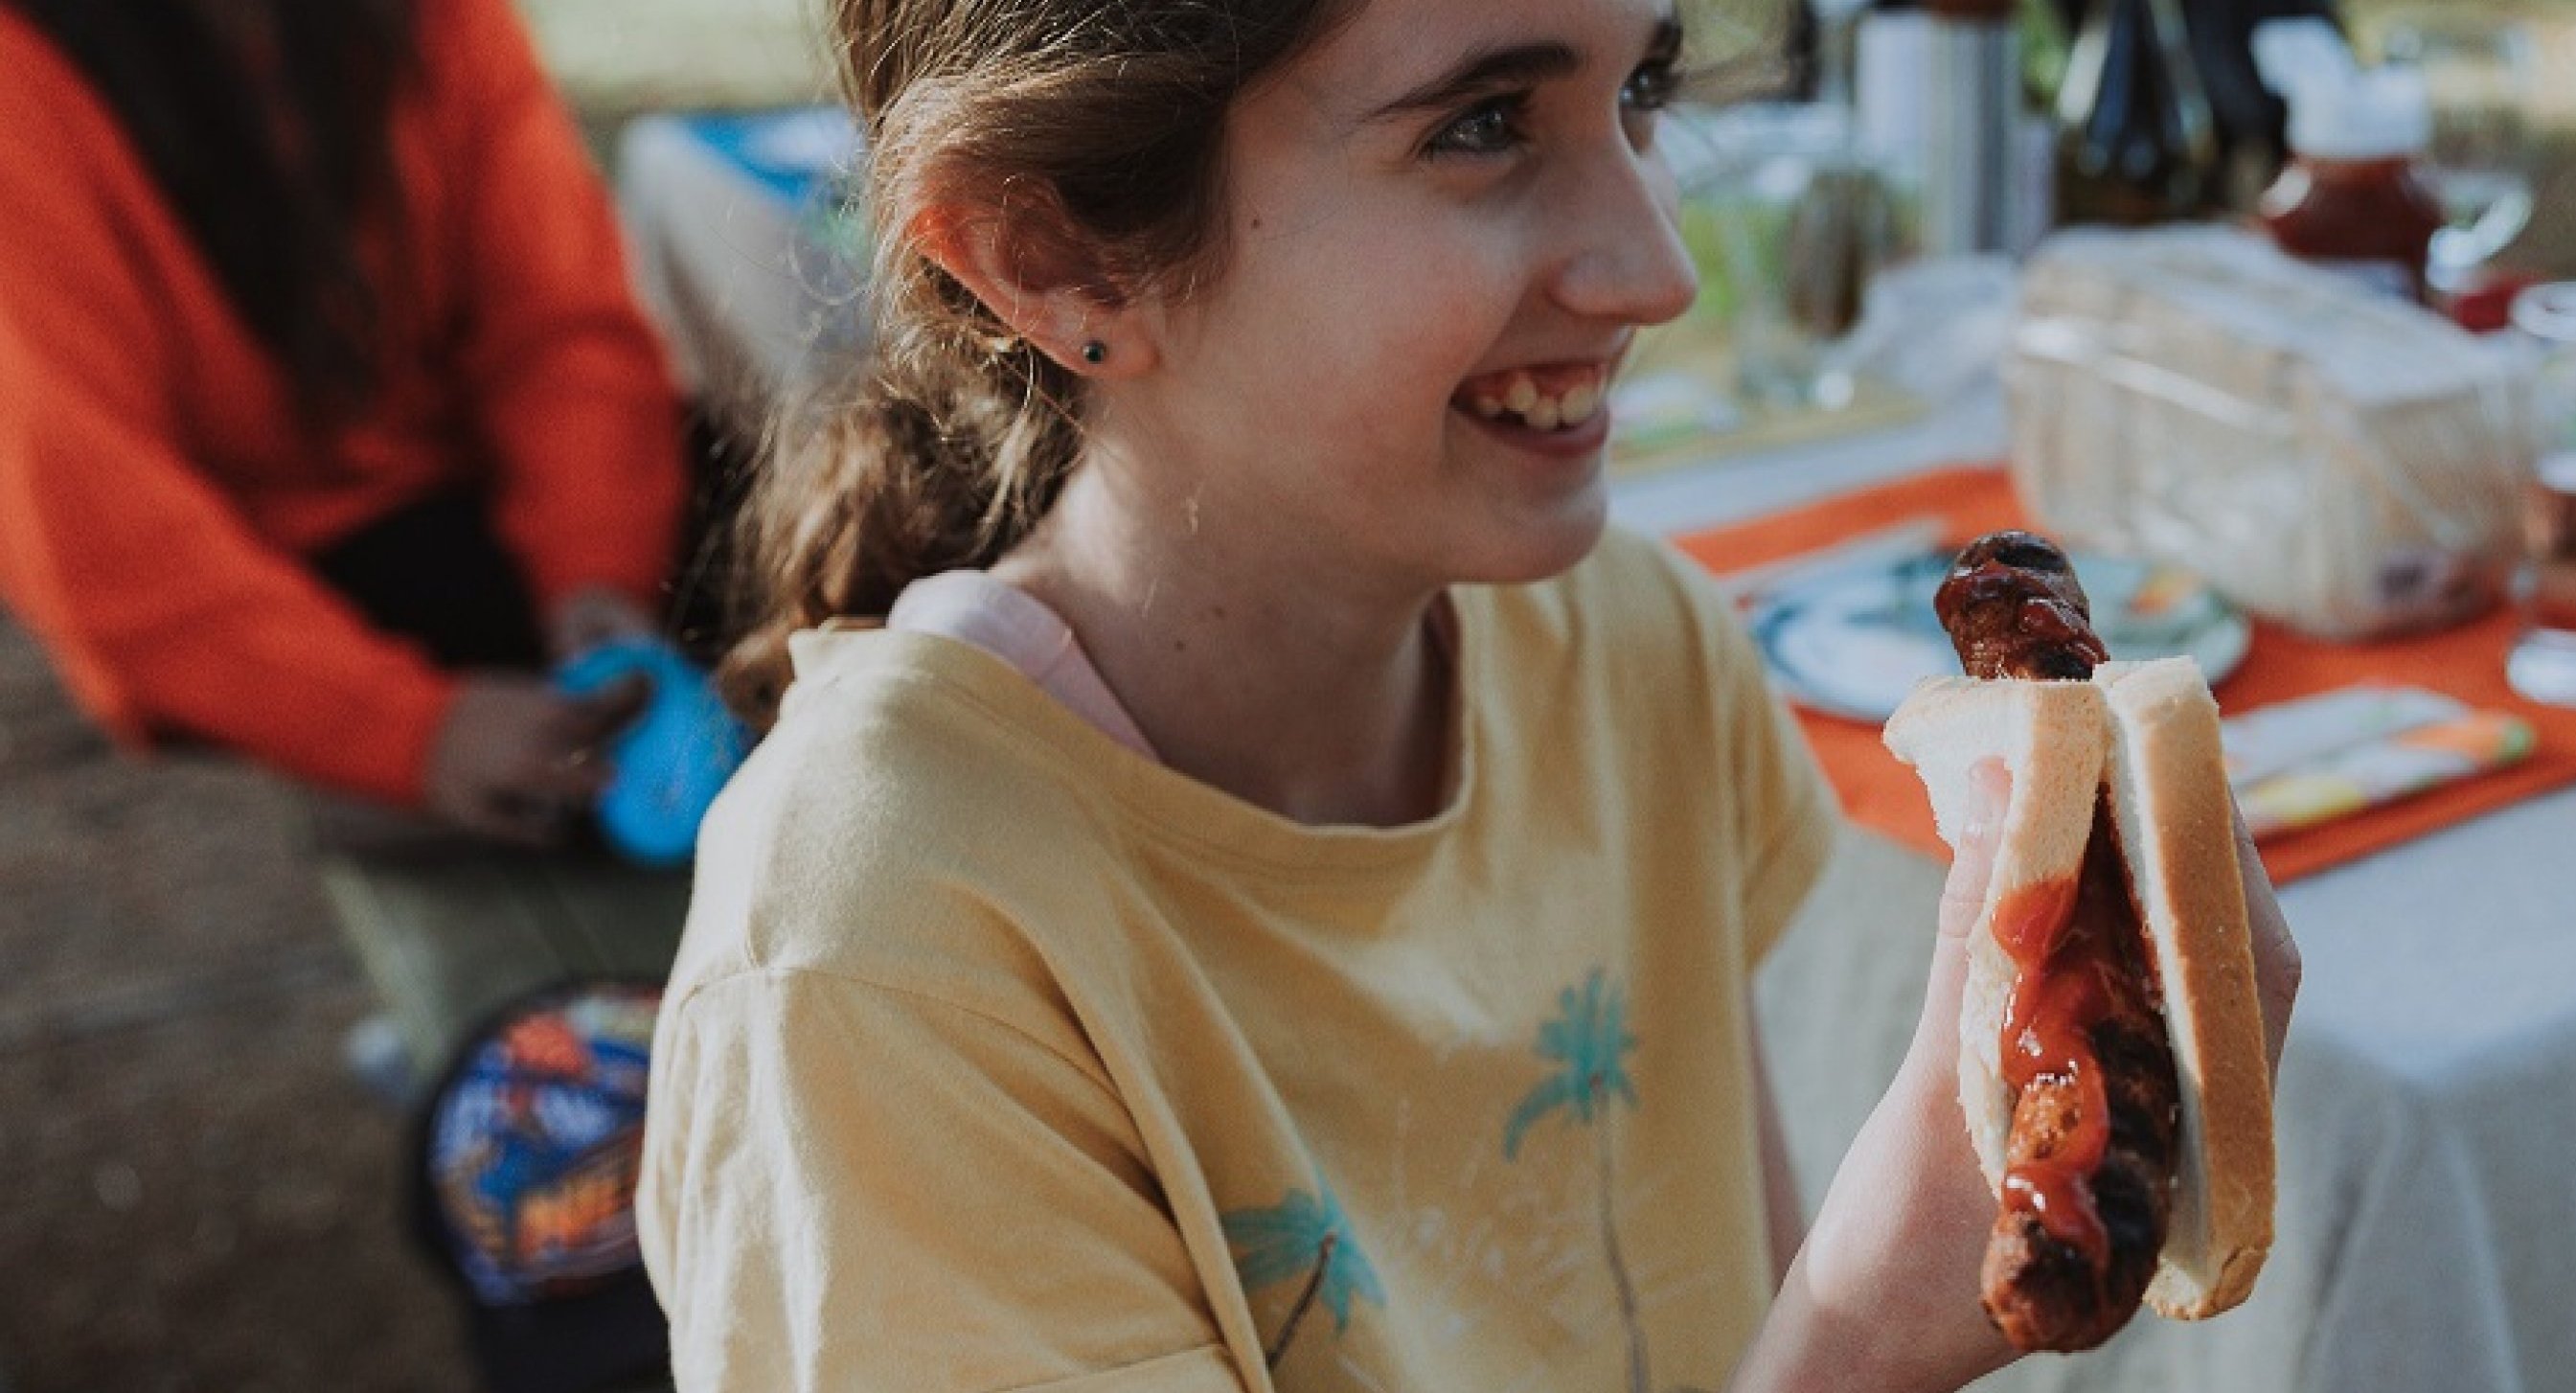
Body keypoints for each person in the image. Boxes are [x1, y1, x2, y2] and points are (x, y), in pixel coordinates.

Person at [632, 1, 2297, 1390]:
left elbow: (1722, 1304)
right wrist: (1862, 1345)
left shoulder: (1629, 644)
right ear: (1053, 252)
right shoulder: (878, 949)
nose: (1657, 271)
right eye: (1483, 123)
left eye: (1637, 87)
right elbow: (1807, 1334)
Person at [0, 0, 688, 846]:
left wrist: (596, 573)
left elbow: (562, 330)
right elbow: (96, 526)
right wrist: (414, 735)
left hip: (501, 541)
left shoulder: (441, 22)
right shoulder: (23, 81)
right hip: (268, 601)